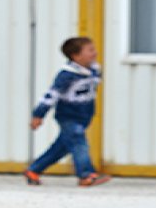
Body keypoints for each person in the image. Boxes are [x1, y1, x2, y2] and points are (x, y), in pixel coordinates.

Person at [23, 37, 111, 187]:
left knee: (61, 147)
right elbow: (51, 95)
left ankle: (33, 170)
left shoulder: (94, 69)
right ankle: (86, 175)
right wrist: (38, 114)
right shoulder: (67, 75)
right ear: (76, 56)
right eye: (90, 50)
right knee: (79, 143)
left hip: (85, 115)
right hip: (69, 115)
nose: (94, 53)